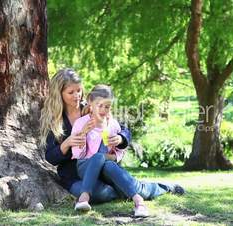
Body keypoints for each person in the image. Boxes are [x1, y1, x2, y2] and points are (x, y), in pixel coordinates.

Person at [39, 68, 184, 217]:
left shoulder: (95, 106)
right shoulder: (55, 120)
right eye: (71, 92)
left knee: (134, 187)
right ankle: (126, 187)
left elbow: (122, 129)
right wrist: (66, 143)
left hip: (105, 168)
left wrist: (120, 138)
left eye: (79, 90)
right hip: (75, 175)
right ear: (59, 94)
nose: (77, 96)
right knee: (101, 194)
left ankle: (164, 187)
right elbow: (51, 157)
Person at [71, 84, 150, 216]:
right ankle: (84, 197)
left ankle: (139, 202)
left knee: (106, 163)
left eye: (107, 106)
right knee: (98, 157)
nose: (103, 110)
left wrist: (115, 150)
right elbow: (78, 154)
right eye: (99, 105)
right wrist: (83, 133)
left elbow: (119, 152)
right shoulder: (81, 123)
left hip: (106, 167)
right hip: (85, 166)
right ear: (90, 102)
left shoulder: (112, 125)